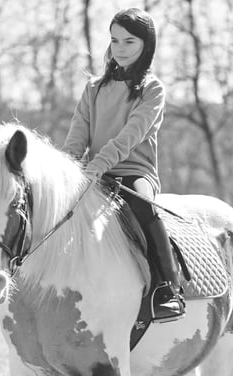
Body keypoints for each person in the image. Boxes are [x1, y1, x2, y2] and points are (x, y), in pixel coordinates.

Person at [62, 7, 185, 322]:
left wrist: (99, 164)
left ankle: (167, 289)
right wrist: (67, 169)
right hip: (91, 173)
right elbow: (77, 137)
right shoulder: (93, 88)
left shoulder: (153, 89)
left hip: (133, 172)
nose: (120, 49)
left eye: (129, 42)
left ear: (147, 45)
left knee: (146, 210)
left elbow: (131, 135)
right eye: (115, 41)